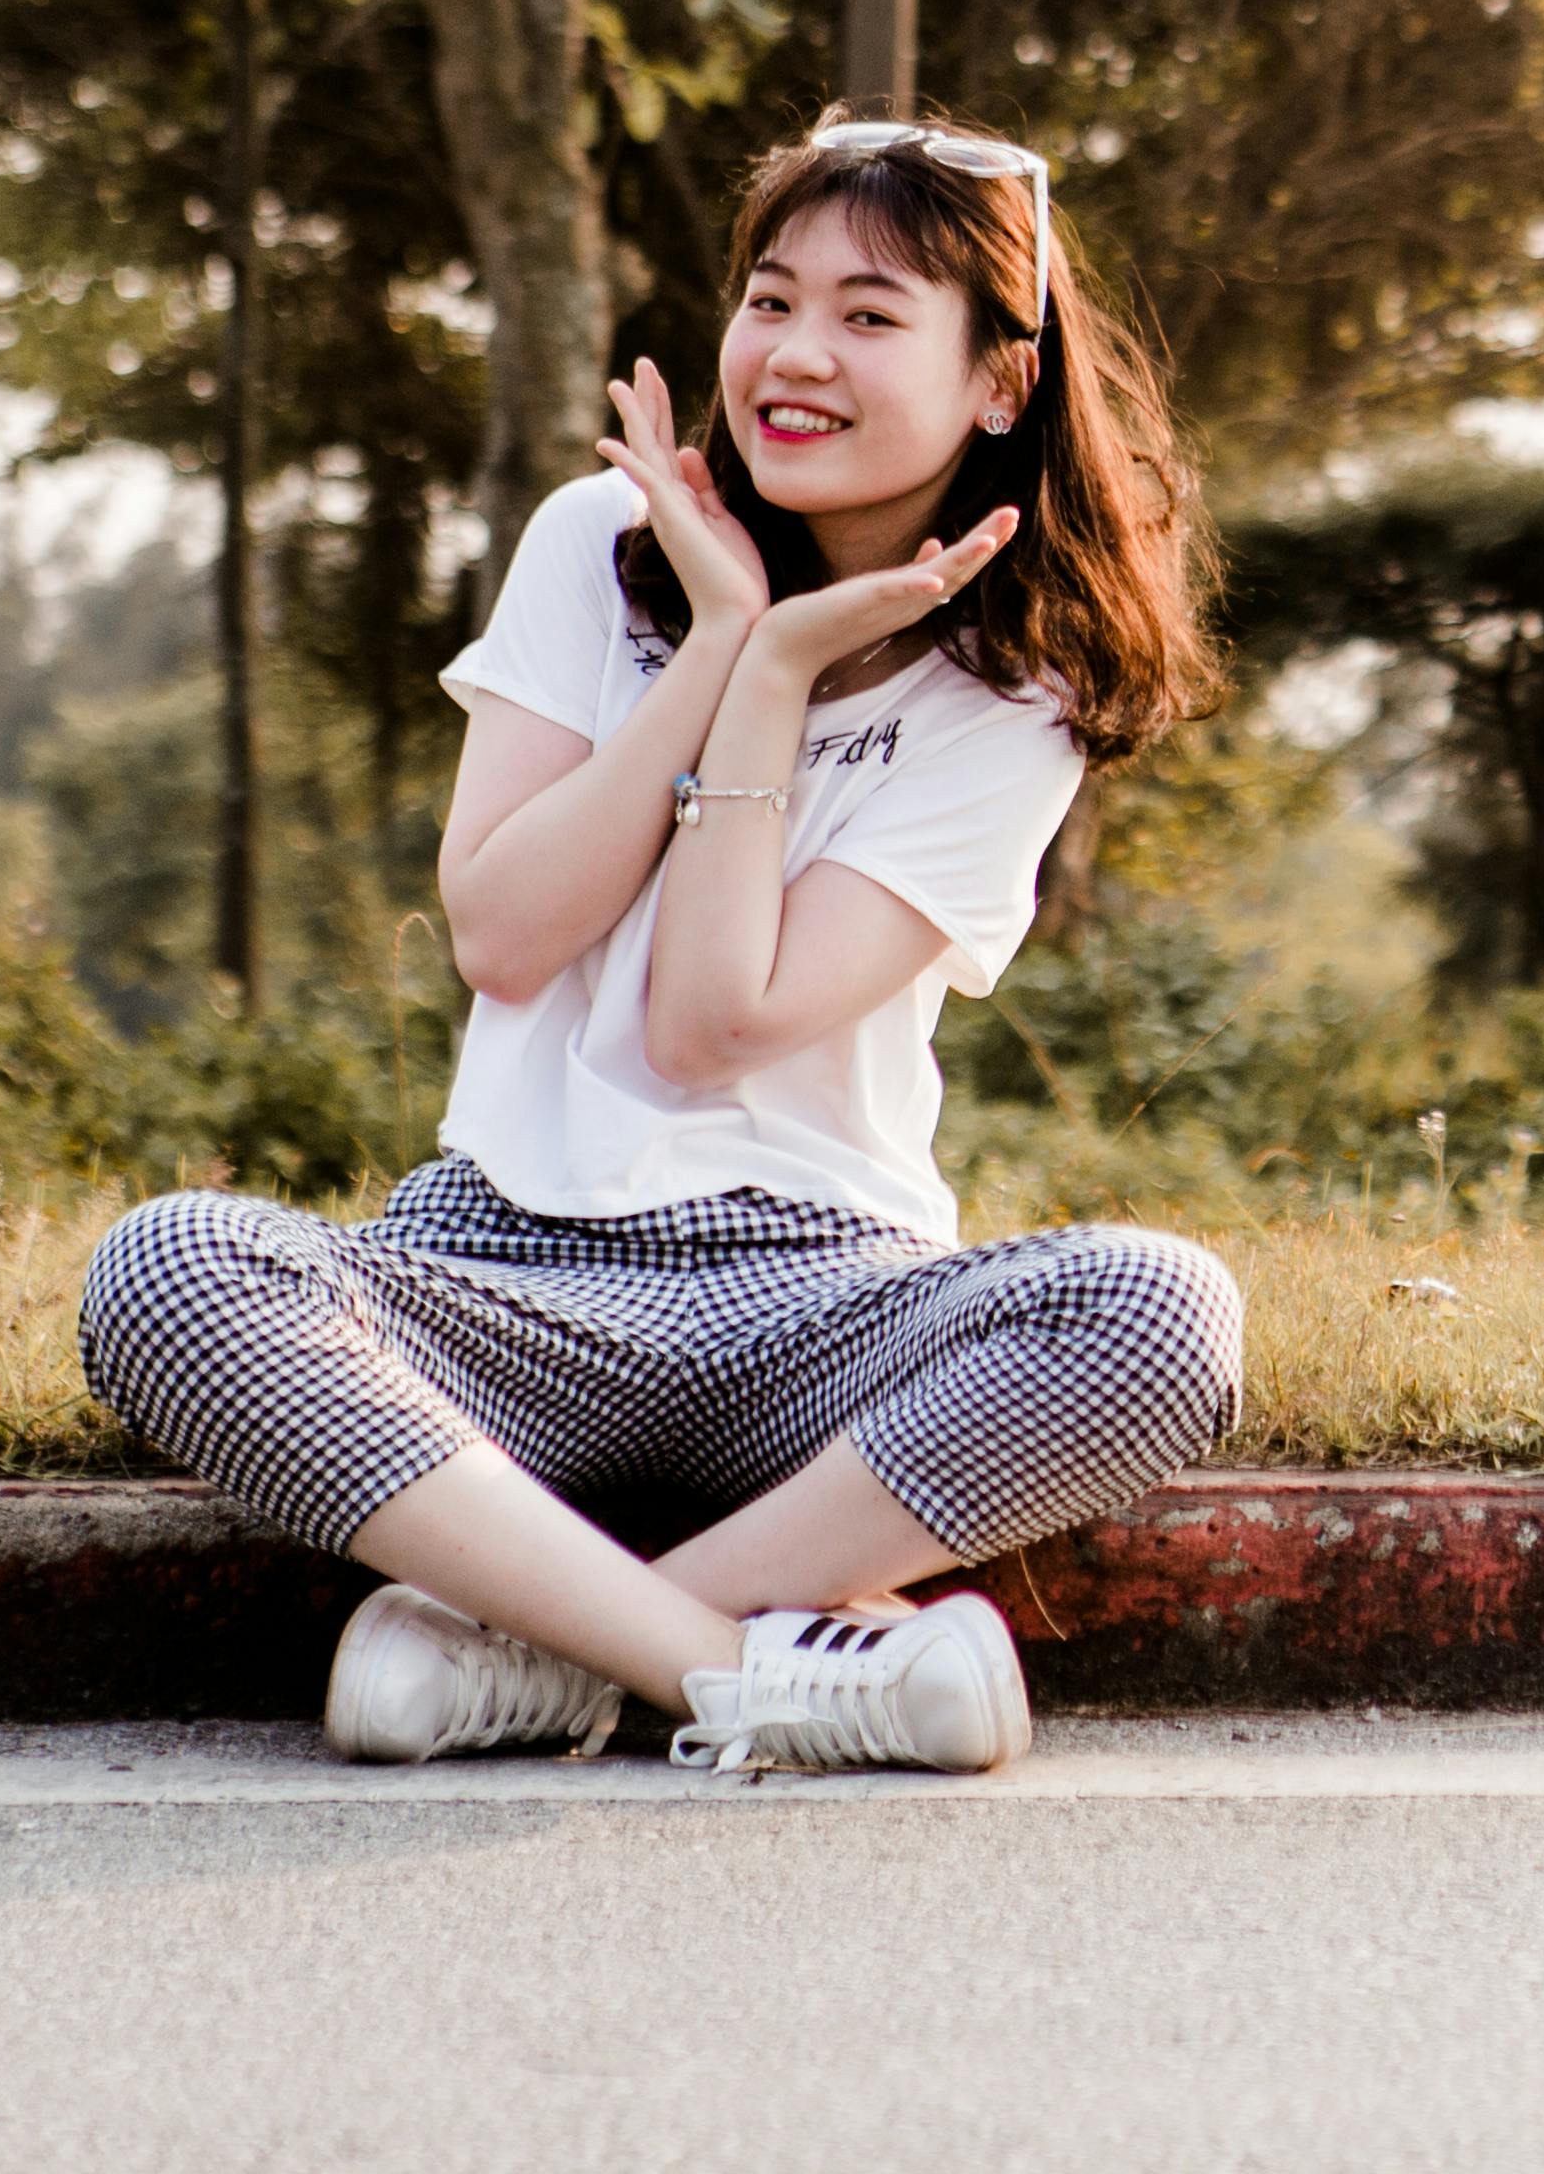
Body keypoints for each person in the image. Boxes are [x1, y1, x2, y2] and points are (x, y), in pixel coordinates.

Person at [77, 111, 1242, 1776]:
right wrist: (716, 642)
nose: (796, 353)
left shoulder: (1015, 693)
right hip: (502, 1278)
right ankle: (736, 1669)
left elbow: (714, 1021)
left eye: (869, 313)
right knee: (171, 1274)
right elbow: (500, 931)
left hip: (818, 1305)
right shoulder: (595, 544)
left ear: (1000, 379)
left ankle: (523, 1653)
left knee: (1156, 1314)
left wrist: (775, 680)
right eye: (771, 298)